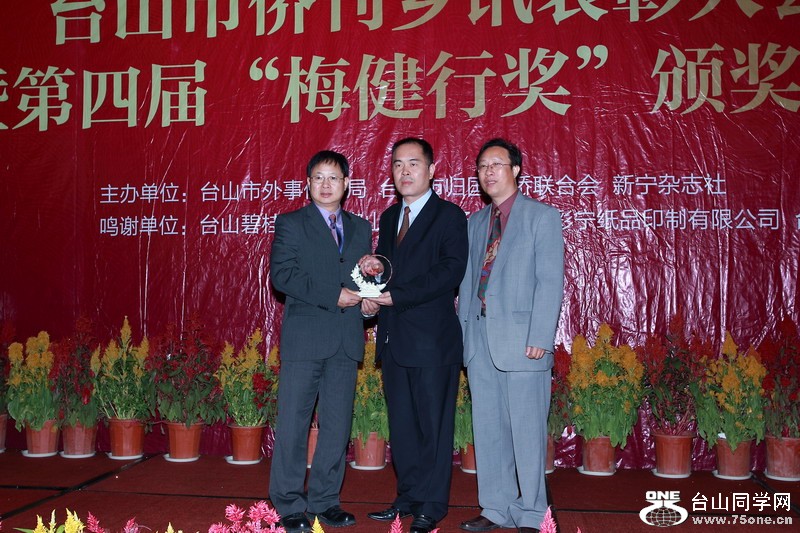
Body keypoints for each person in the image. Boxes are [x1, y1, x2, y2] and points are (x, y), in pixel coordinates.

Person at [457, 138, 565, 533]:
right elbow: (468, 284)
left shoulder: (541, 217)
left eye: (497, 164)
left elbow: (550, 280)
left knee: (527, 432)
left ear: (516, 170)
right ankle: (495, 508)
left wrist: (540, 335)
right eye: (482, 166)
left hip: (524, 343)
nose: (488, 172)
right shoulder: (474, 223)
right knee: (488, 430)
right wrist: (465, 339)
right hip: (480, 341)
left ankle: (532, 512)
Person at [361, 137, 468, 533]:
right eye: (397, 165)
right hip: (394, 340)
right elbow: (389, 271)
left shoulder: (449, 216)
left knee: (433, 428)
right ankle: (407, 497)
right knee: (403, 427)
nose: (404, 172)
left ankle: (432, 505)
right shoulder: (391, 216)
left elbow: (449, 272)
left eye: (413, 163)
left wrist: (396, 296)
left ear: (432, 170)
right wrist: (372, 287)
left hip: (432, 342)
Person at [268, 150, 372, 533]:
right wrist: (334, 295)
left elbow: (363, 280)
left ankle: (326, 501)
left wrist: (369, 303)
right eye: (318, 178)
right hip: (306, 339)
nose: (326, 185)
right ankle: (289, 503)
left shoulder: (361, 228)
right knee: (293, 424)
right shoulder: (291, 223)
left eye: (333, 178)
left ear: (347, 184)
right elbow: (283, 276)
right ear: (308, 183)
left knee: (337, 427)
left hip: (346, 339)